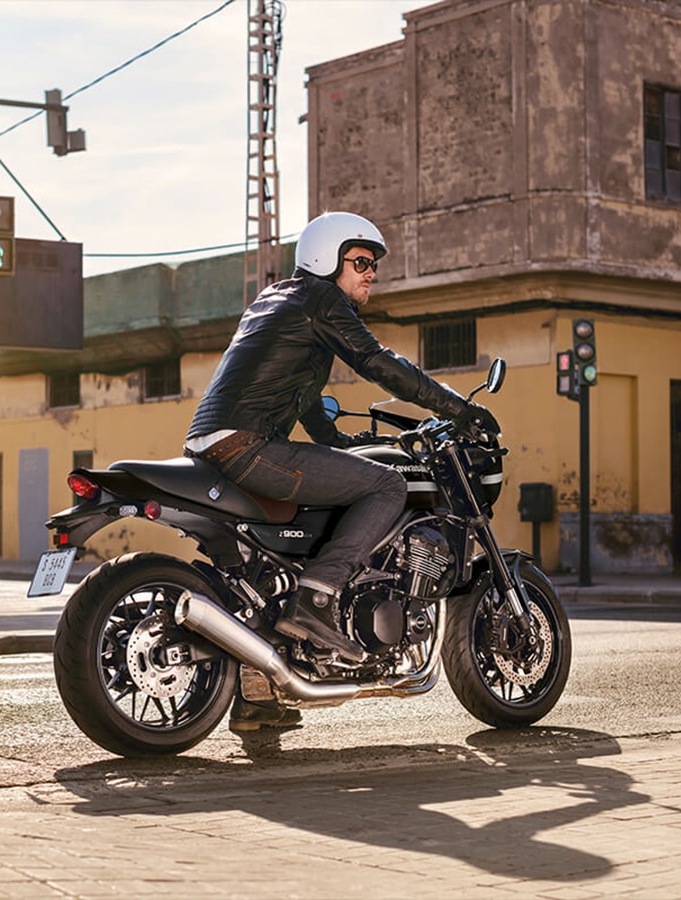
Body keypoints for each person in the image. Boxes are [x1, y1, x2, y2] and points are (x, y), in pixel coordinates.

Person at [186, 211, 475, 731]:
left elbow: (297, 390)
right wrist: (457, 408)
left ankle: (258, 697)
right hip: (249, 443)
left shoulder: (277, 299)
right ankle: (318, 597)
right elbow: (377, 362)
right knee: (388, 483)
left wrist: (337, 443)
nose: (370, 273)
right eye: (361, 261)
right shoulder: (322, 300)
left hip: (211, 441)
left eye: (373, 265)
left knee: (267, 565)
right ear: (326, 259)